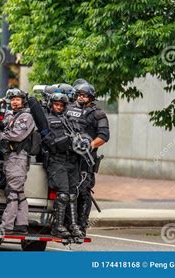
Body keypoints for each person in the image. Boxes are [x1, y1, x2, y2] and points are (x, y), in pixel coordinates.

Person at [65, 83, 110, 236]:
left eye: (84, 95)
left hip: (86, 158)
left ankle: (82, 226)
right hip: (69, 157)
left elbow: (104, 136)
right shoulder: (69, 109)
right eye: (78, 94)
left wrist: (89, 145)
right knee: (68, 191)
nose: (80, 97)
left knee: (83, 192)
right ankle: (68, 224)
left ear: (91, 97)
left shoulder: (98, 114)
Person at [43, 93, 84, 239]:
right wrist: (65, 140)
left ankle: (73, 224)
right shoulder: (46, 120)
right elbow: (49, 141)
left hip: (71, 160)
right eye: (56, 104)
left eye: (61, 105)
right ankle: (57, 226)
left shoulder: (70, 121)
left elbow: (80, 137)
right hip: (56, 160)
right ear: (51, 104)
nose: (59, 107)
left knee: (73, 194)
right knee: (63, 194)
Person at [0, 88, 34, 234]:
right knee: (18, 193)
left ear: (23, 101)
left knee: (12, 192)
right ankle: (21, 225)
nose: (14, 101)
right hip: (12, 157)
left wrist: (1, 135)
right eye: (12, 99)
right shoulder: (14, 115)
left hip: (18, 157)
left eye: (17, 99)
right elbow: (4, 123)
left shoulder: (26, 116)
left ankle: (6, 226)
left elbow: (17, 135)